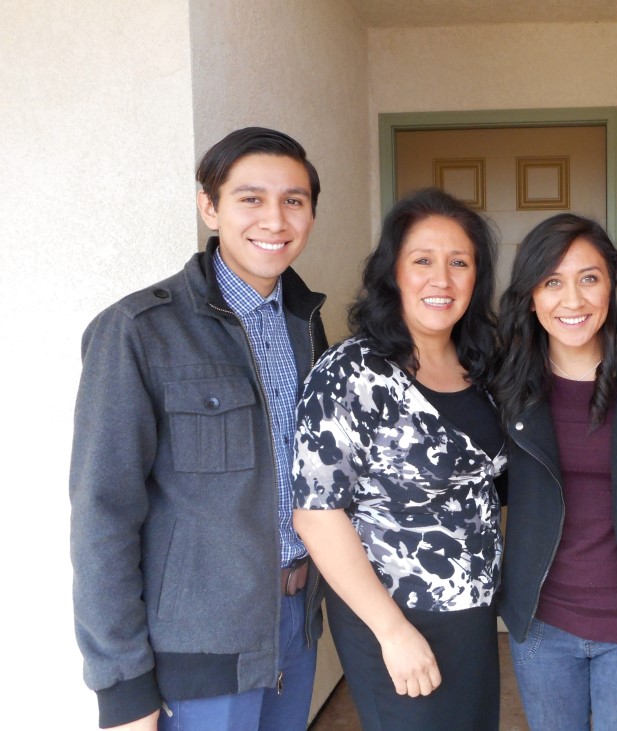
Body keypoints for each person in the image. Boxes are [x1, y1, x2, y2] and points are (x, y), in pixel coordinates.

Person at [69, 127, 327, 731]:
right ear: (210, 207)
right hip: (196, 646)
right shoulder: (138, 330)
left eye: (294, 200)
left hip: (294, 626)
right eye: (251, 198)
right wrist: (122, 685)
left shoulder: (307, 327)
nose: (274, 218)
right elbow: (102, 512)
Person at [291, 188, 506, 731]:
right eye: (423, 261)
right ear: (393, 273)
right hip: (394, 614)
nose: (443, 278)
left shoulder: (484, 366)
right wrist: (392, 631)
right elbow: (317, 513)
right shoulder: (349, 373)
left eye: (460, 262)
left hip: (474, 614)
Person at [492, 213, 617, 730]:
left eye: (589, 278)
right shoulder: (505, 383)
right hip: (543, 624)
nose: (572, 301)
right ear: (530, 295)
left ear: (613, 286)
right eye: (552, 281)